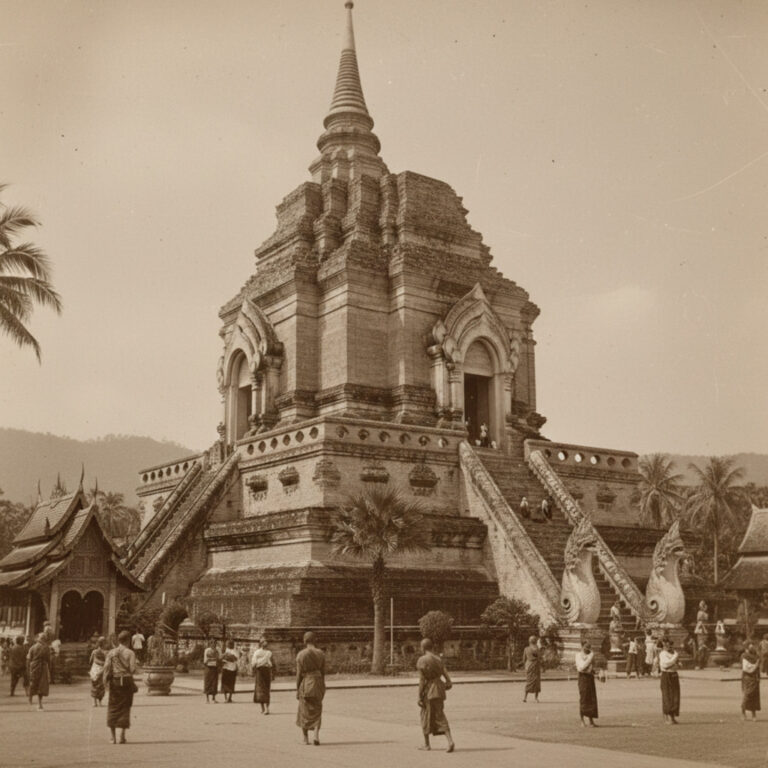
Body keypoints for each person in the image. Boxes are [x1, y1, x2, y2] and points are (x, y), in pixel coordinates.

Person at [416, 638, 455, 752]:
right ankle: (450, 741)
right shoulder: (438, 658)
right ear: (432, 647)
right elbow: (445, 673)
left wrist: (419, 696)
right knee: (440, 715)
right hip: (439, 688)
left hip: (429, 690)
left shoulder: (422, 660)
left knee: (425, 715)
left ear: (422, 647)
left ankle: (427, 744)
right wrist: (448, 681)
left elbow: (422, 680)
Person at [103, 630, 137, 744]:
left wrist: (105, 684)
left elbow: (106, 668)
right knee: (124, 708)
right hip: (126, 682)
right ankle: (121, 737)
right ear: (128, 640)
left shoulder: (111, 652)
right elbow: (132, 670)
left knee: (113, 708)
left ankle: (113, 738)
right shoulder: (130, 653)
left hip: (115, 682)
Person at [296, 631, 326, 746]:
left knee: (304, 711)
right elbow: (323, 672)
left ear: (304, 641)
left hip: (306, 683)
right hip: (318, 682)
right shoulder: (321, 654)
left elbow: (299, 674)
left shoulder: (301, 654)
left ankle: (305, 738)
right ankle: (316, 736)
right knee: (317, 710)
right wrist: (323, 685)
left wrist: (297, 688)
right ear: (315, 640)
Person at [575, 640, 598, 727]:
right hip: (582, 678)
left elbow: (592, 667)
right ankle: (582, 720)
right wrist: (590, 657)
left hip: (590, 677)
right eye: (586, 647)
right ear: (582, 647)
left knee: (591, 698)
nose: (587, 649)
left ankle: (591, 720)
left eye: (589, 648)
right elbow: (581, 667)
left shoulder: (590, 655)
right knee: (583, 698)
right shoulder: (578, 655)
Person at [27, 632, 51, 710]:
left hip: (33, 666)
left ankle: (30, 698)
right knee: (41, 684)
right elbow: (48, 660)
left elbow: (28, 659)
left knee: (33, 682)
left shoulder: (32, 647)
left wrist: (28, 668)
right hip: (43, 667)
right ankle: (40, 703)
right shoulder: (46, 648)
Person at [659, 638, 680, 724]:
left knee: (675, 696)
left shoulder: (674, 654)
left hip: (674, 675)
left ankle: (673, 716)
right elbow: (666, 664)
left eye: (670, 645)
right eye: (667, 645)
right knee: (667, 696)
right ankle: (667, 717)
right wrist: (675, 658)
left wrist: (675, 663)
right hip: (666, 675)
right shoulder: (663, 654)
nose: (669, 647)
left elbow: (677, 665)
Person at [251, 637, 273, 714]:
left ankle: (267, 709)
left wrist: (272, 672)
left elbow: (271, 664)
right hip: (259, 672)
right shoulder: (257, 652)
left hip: (266, 672)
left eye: (266, 642)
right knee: (260, 690)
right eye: (263, 642)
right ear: (261, 644)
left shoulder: (269, 653)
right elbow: (254, 663)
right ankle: (262, 708)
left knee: (266, 690)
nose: (265, 643)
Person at [741, 643, 761, 721]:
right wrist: (756, 665)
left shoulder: (756, 656)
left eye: (753, 645)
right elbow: (746, 668)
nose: (752, 647)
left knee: (755, 696)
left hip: (755, 678)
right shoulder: (744, 656)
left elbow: (758, 668)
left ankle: (753, 714)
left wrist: (759, 677)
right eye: (750, 645)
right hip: (747, 678)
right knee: (747, 695)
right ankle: (743, 712)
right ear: (747, 647)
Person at [89, 637, 107, 707]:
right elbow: (107, 661)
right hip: (102, 669)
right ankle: (100, 702)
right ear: (104, 644)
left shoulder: (94, 651)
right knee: (101, 685)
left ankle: (94, 702)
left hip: (95, 669)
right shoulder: (105, 652)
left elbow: (90, 661)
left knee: (94, 685)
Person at [522, 635, 541, 703]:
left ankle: (525, 697)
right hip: (536, 666)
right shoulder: (537, 649)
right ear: (535, 641)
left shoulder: (526, 649)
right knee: (536, 682)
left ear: (529, 641)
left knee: (528, 681)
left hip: (529, 666)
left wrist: (525, 666)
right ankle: (536, 698)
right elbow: (539, 658)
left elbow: (524, 659)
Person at [203, 639, 220, 703]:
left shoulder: (217, 650)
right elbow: (205, 660)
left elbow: (219, 659)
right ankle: (207, 699)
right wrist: (209, 660)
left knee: (214, 683)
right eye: (212, 643)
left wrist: (217, 661)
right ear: (210, 644)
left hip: (214, 668)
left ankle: (214, 698)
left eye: (215, 643)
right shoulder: (207, 650)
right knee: (208, 683)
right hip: (208, 668)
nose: (213, 644)